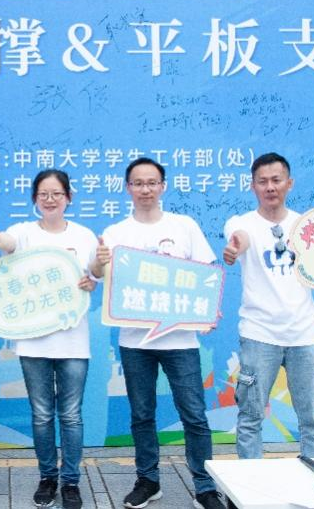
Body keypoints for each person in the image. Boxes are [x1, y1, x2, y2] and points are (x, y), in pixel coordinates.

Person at [90, 157, 226, 509]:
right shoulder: (117, 233)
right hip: (134, 341)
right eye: (138, 183)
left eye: (152, 182)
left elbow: (207, 272)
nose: (145, 189)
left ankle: (204, 486)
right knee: (142, 414)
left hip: (181, 340)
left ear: (163, 186)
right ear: (128, 188)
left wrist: (209, 310)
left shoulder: (183, 226)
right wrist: (98, 261)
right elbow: (97, 276)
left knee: (194, 414)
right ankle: (148, 480)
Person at [222, 152, 314, 461]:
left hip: (303, 335)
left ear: (289, 183)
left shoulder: (307, 227)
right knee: (250, 419)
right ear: (252, 186)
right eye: (262, 181)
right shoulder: (241, 223)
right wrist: (235, 248)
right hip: (259, 334)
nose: (270, 187)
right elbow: (240, 239)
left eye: (276, 180)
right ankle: (250, 485)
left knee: (312, 421)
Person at [0, 169, 98, 509]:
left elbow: (95, 272)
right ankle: (48, 477)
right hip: (33, 341)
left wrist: (94, 278)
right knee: (42, 414)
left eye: (56, 193)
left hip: (73, 340)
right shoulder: (25, 232)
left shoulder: (84, 235)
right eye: (43, 194)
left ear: (68, 198)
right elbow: (8, 242)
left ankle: (71, 481)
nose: (50, 200)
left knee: (71, 415)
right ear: (35, 199)